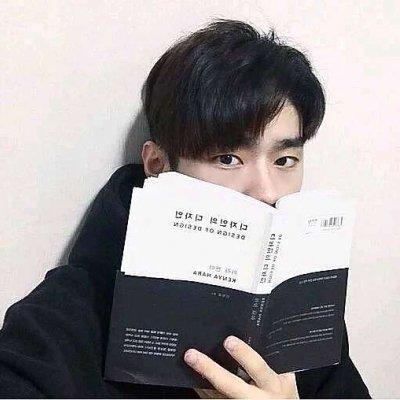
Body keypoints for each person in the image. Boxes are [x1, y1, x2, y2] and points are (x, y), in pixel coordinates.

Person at [0, 18, 371, 398]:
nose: (267, 192)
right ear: (158, 165)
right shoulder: (60, 324)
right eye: (227, 159)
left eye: (285, 160)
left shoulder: (303, 309)